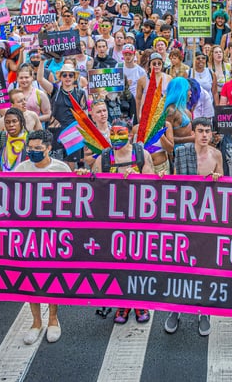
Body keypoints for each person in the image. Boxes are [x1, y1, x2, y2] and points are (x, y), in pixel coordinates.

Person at [90, 120, 154, 325]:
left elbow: (153, 184)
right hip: (113, 219)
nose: (116, 137)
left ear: (129, 135)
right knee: (117, 262)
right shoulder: (104, 157)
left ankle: (139, 302)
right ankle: (122, 304)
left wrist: (137, 177)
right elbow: (93, 185)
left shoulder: (141, 154)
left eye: (121, 133)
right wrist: (86, 174)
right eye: (113, 133)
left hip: (138, 217)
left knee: (138, 262)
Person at [164, 118, 223, 337]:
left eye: (208, 131)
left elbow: (224, 186)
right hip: (184, 216)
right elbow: (175, 183)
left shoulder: (217, 155)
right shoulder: (182, 153)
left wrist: (218, 180)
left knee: (204, 266)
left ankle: (203, 311)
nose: (205, 135)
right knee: (180, 266)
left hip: (207, 216)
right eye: (200, 131)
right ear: (194, 133)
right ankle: (176, 309)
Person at [14, 130, 69, 345]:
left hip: (53, 232)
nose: (33, 151)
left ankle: (53, 319)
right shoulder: (21, 169)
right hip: (28, 232)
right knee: (31, 277)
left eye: (38, 148)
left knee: (52, 276)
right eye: (31, 148)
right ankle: (36, 322)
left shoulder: (61, 168)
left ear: (48, 149)